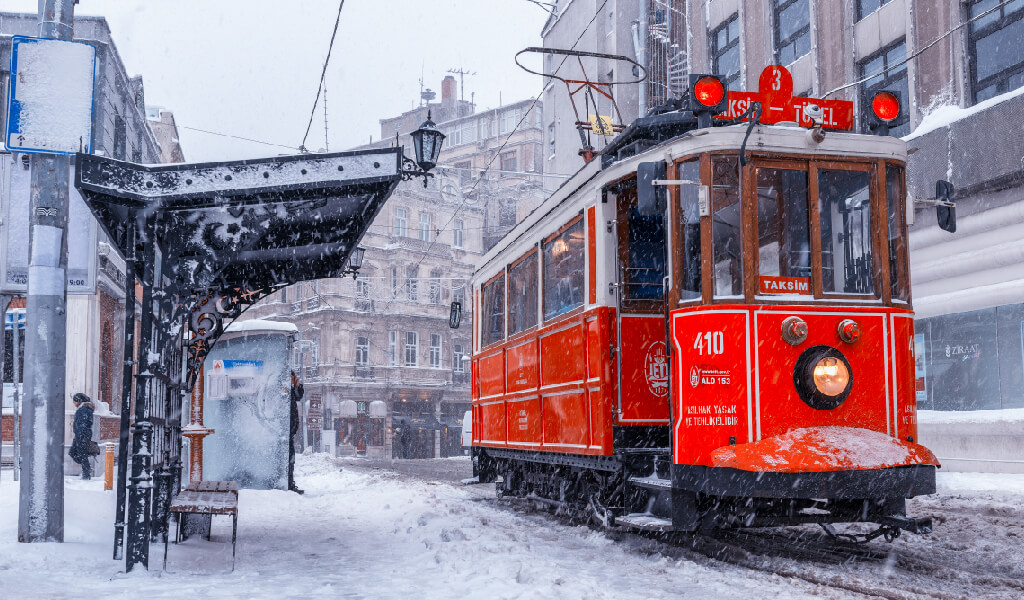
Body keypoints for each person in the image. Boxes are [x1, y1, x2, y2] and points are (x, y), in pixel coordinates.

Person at [69, 393, 96, 480]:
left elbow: (83, 423)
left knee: (82, 454)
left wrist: (80, 434)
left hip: (82, 435)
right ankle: (87, 467)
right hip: (80, 434)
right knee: (73, 453)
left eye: (74, 401)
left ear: (79, 400)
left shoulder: (84, 409)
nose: (73, 403)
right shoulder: (83, 409)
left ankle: (86, 475)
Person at [288, 371, 304, 494]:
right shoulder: (284, 391)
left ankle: (290, 483)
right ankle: (288, 484)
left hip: (289, 431)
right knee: (289, 459)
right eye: (292, 378)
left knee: (291, 460)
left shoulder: (290, 391)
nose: (294, 380)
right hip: (285, 431)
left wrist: (297, 387)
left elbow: (299, 396)